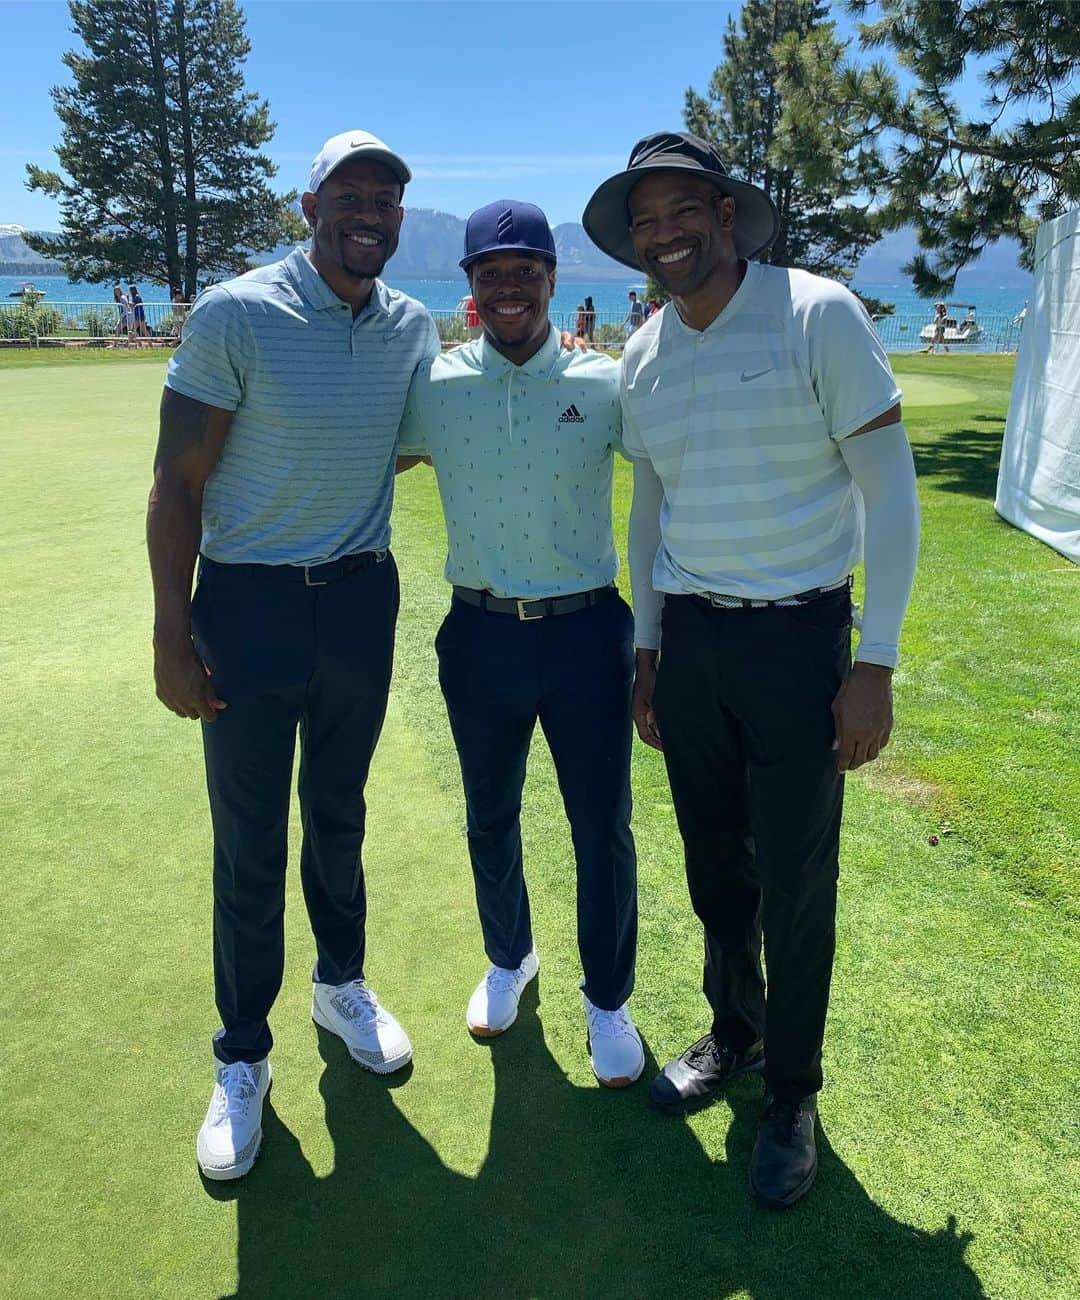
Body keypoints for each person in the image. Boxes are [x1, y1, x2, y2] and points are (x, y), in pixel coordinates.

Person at [583, 131, 920, 1207]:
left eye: (684, 209)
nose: (665, 232)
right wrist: (646, 644)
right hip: (692, 644)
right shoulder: (643, 354)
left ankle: (793, 1093)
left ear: (727, 215)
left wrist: (875, 662)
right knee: (713, 863)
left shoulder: (815, 313)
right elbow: (654, 507)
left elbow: (893, 493)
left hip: (798, 640)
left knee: (795, 878)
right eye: (646, 219)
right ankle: (734, 1030)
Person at [147, 129, 441, 1182]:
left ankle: (340, 983)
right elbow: (178, 480)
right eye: (352, 193)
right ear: (307, 203)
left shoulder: (411, 325)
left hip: (361, 604)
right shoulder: (237, 311)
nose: (371, 211)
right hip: (249, 610)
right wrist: (171, 630)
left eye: (389, 198)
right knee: (249, 841)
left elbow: (404, 440)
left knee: (340, 814)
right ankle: (242, 1054)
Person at [395, 200, 643, 1088]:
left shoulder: (604, 380)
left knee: (600, 826)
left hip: (587, 632)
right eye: (489, 274)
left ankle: (608, 1001)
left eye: (524, 272)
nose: (508, 289)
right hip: (481, 633)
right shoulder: (434, 384)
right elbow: (366, 456)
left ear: (551, 279)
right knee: (489, 815)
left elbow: (659, 486)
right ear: (468, 287)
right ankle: (511, 960)